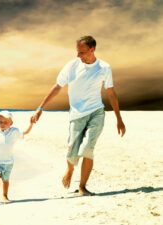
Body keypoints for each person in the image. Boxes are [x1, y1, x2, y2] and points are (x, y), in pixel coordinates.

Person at [31, 36, 126, 196]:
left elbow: (111, 93)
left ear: (92, 50)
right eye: (77, 52)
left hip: (96, 112)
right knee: (72, 150)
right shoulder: (71, 66)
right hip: (76, 114)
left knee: (88, 148)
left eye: (81, 52)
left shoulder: (104, 67)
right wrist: (40, 107)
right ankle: (69, 170)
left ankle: (82, 187)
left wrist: (119, 118)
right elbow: (57, 86)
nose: (78, 56)